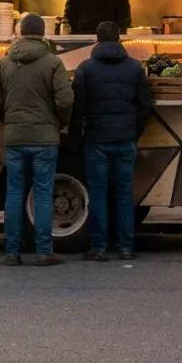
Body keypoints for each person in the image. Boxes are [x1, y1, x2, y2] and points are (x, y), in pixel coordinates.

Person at [0, 12, 74, 266]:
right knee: (44, 193)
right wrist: (58, 122)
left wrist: (11, 120)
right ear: (43, 34)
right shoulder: (52, 62)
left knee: (14, 193)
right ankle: (44, 251)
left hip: (15, 137)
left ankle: (12, 252)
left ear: (21, 33)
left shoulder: (3, 63)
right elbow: (65, 100)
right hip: (45, 137)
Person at [70, 21, 152, 261]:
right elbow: (144, 106)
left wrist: (78, 137)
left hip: (96, 140)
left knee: (98, 194)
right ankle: (126, 246)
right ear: (120, 39)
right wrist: (135, 132)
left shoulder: (85, 69)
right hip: (125, 139)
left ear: (97, 40)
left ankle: (99, 247)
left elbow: (78, 109)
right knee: (124, 194)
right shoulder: (135, 68)